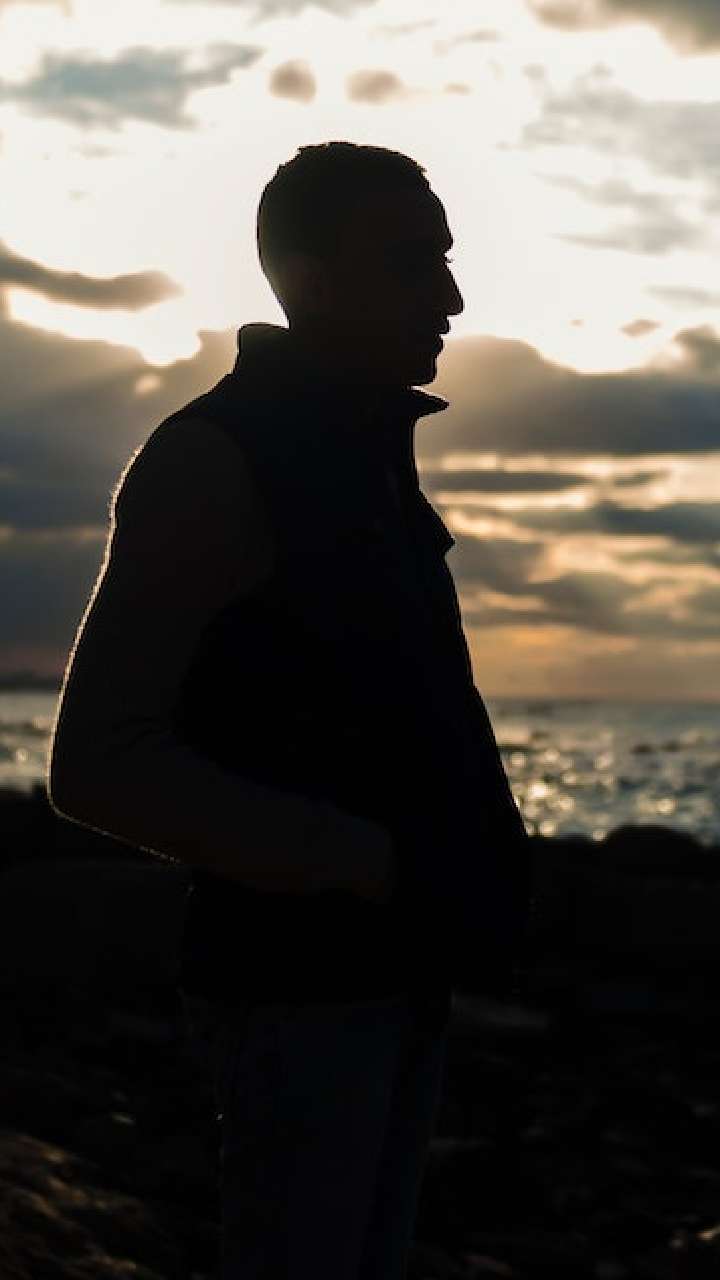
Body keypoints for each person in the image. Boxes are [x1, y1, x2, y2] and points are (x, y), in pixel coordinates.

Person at [48, 142, 533, 1280]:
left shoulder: (363, 455)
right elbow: (99, 761)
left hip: (396, 974)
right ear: (311, 281)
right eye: (413, 264)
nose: (452, 298)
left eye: (448, 261)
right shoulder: (216, 459)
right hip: (299, 995)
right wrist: (363, 862)